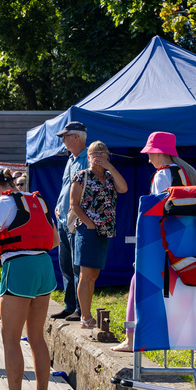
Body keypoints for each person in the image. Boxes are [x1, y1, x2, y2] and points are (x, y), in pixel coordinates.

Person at [111, 132, 196, 359]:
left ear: (160, 152)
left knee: (137, 283)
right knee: (190, 291)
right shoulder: (187, 173)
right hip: (188, 241)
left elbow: (156, 215)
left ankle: (131, 338)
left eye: (150, 153)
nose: (148, 158)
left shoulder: (162, 176)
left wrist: (145, 250)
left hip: (165, 243)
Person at [0, 168, 58, 390]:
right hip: (44, 266)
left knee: (10, 338)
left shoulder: (3, 201)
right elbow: (54, 241)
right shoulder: (37, 200)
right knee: (36, 337)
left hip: (19, 266)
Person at [68, 141, 128, 329]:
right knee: (86, 274)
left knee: (94, 274)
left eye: (103, 153)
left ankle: (88, 315)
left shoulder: (110, 176)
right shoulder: (81, 176)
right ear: (88, 156)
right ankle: (85, 317)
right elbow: (74, 205)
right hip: (88, 230)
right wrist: (89, 224)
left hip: (106, 229)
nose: (99, 156)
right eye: (95, 153)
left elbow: (124, 188)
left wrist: (109, 166)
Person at [52, 121, 88, 322]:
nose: (63, 140)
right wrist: (59, 205)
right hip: (63, 217)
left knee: (76, 265)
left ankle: (79, 308)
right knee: (65, 263)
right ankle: (69, 305)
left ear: (76, 137)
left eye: (65, 136)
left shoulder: (86, 160)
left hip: (75, 220)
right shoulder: (71, 159)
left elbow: (85, 190)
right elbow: (66, 187)